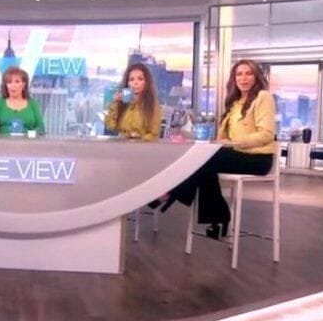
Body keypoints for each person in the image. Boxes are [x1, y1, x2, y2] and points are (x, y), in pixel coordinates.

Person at [159, 59, 276, 239]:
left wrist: (234, 142)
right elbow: (225, 137)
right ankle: (218, 217)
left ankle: (171, 191)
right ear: (234, 79)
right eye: (239, 74)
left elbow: (267, 134)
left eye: (249, 73)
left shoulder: (263, 97)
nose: (243, 78)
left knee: (205, 159)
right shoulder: (235, 102)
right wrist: (217, 141)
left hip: (258, 159)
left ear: (256, 77)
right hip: (237, 154)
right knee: (204, 162)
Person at [104, 63, 161, 141]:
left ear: (146, 82)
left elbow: (154, 133)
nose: (135, 83)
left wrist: (138, 142)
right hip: (122, 144)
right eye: (131, 79)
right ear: (128, 83)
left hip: (142, 146)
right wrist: (115, 104)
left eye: (140, 79)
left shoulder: (152, 105)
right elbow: (110, 126)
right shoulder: (123, 102)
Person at [0, 66, 44, 136]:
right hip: (4, 142)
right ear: (6, 85)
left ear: (23, 85)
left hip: (27, 142)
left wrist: (28, 135)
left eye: (17, 82)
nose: (13, 85)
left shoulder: (32, 103)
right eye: (9, 82)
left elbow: (41, 128)